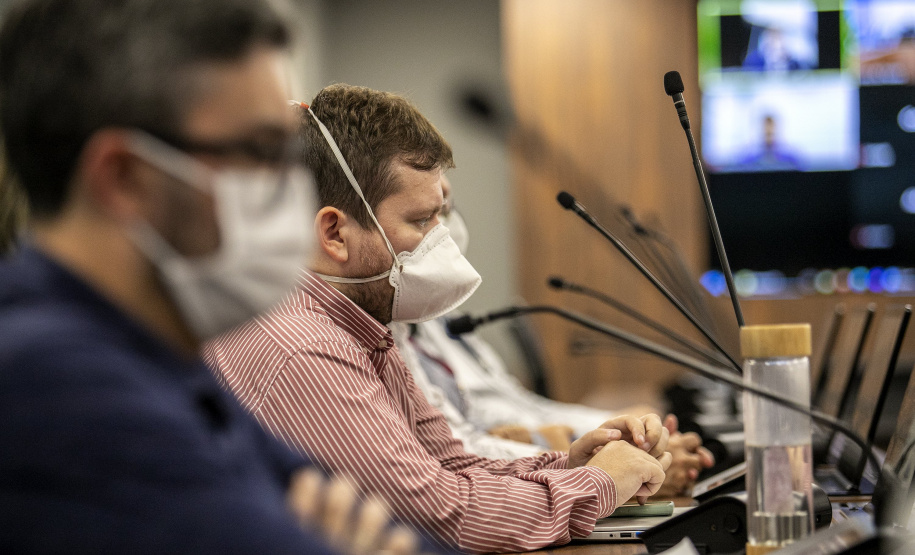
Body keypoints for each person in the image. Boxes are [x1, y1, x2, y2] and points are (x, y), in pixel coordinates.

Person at [0, 1, 419, 553]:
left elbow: (397, 536)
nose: (295, 186)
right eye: (263, 151)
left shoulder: (160, 349)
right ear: (125, 178)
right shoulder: (51, 379)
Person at [205, 84, 672, 553]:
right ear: (335, 233)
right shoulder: (303, 344)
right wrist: (599, 483)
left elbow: (452, 465)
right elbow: (440, 515)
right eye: (422, 221)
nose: (442, 240)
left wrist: (570, 465)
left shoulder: (362, 328)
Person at [392, 178, 715, 496]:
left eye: (446, 209)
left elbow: (523, 406)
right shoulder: (387, 336)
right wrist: (609, 465)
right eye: (425, 216)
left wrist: (623, 434)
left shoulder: (441, 320)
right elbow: (461, 450)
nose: (442, 227)